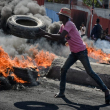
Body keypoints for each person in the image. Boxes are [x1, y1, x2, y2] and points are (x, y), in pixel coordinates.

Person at [36, 7, 110, 104]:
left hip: (81, 52)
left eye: (60, 15)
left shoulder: (70, 24)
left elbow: (61, 36)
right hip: (74, 53)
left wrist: (44, 33)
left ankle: (106, 90)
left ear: (65, 16)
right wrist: (43, 35)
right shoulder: (63, 26)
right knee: (63, 69)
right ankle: (62, 92)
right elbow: (57, 38)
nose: (59, 16)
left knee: (90, 72)